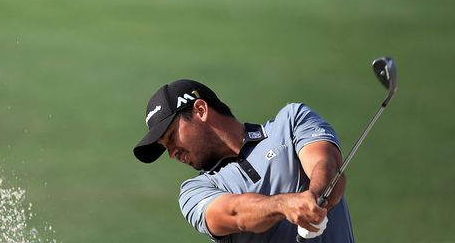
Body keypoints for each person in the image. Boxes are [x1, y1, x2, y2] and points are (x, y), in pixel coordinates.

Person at [133, 79, 354, 242]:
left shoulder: (291, 121)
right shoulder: (195, 191)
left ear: (200, 110)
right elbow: (233, 213)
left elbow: (327, 165)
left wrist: (316, 198)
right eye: (165, 148)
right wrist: (283, 205)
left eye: (172, 137)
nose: (172, 154)